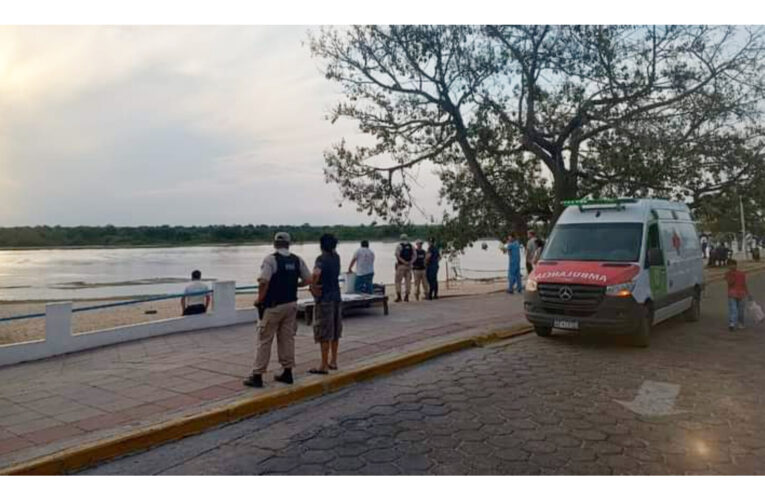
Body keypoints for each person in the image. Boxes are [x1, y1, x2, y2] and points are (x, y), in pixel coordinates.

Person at [243, 232, 312, 388]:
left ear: (274, 244)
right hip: (291, 304)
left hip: (273, 306)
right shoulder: (297, 260)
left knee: (264, 340)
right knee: (287, 339)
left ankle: (257, 375)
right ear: (289, 244)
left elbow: (263, 281)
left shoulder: (270, 260)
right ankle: (287, 372)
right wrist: (296, 285)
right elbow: (308, 279)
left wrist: (259, 300)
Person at [309, 233, 343, 374]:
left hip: (325, 299)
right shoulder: (337, 258)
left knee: (324, 331)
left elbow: (316, 275)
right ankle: (333, 361)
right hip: (336, 296)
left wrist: (312, 287)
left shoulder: (321, 259)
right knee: (335, 330)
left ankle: (323, 365)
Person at [725, 259, 750, 331]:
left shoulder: (741, 274)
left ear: (736, 265)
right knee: (733, 309)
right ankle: (732, 323)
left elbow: (744, 284)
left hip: (741, 294)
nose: (732, 266)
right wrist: (732, 275)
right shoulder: (728, 274)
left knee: (741, 310)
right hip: (732, 294)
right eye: (730, 265)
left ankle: (741, 323)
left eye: (733, 265)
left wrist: (748, 293)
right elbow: (730, 283)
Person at [394, 233, 415, 302]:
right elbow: (415, 255)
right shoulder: (411, 246)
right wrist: (410, 262)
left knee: (398, 281)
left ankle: (399, 296)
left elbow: (397, 255)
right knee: (408, 281)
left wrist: (403, 262)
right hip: (409, 266)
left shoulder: (399, 246)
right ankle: (407, 296)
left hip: (401, 266)